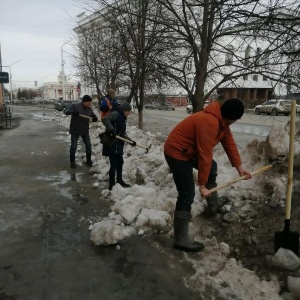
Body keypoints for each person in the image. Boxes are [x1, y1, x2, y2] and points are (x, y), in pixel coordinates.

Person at [164, 98, 252, 253]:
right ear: (232, 118)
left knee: (212, 167)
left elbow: (229, 143)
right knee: (187, 193)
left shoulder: (221, 121)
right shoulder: (209, 122)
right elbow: (205, 155)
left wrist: (240, 168)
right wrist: (202, 186)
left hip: (188, 151)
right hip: (177, 153)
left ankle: (213, 205)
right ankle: (180, 239)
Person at [101, 102, 136, 190]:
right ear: (125, 110)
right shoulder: (116, 114)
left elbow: (122, 133)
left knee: (120, 162)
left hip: (118, 144)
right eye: (129, 111)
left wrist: (130, 141)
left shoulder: (122, 118)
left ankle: (119, 180)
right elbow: (105, 119)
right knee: (114, 164)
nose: (129, 113)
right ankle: (111, 183)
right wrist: (111, 130)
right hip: (112, 143)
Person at [64, 95, 98, 168]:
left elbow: (93, 116)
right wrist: (72, 112)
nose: (90, 103)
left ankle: (88, 160)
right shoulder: (75, 106)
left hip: (84, 130)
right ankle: (72, 162)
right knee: (74, 146)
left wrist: (94, 118)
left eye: (90, 102)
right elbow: (66, 111)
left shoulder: (89, 109)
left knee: (88, 145)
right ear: (84, 101)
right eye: (89, 102)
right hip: (75, 130)